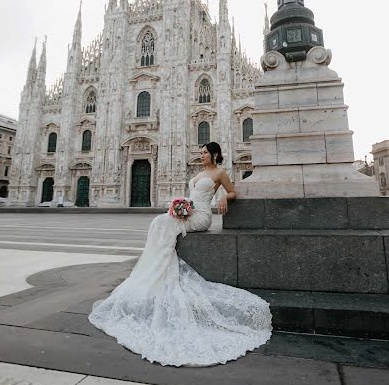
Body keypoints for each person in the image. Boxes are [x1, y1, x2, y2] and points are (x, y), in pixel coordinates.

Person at [88, 142, 272, 367]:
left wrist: (224, 197)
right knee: (160, 222)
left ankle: (160, 268)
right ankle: (159, 266)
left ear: (214, 154)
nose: (201, 154)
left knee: (163, 223)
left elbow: (231, 191)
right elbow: (193, 194)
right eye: (201, 152)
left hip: (202, 217)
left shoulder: (220, 173)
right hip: (191, 212)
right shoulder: (200, 172)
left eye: (205, 152)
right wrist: (182, 206)